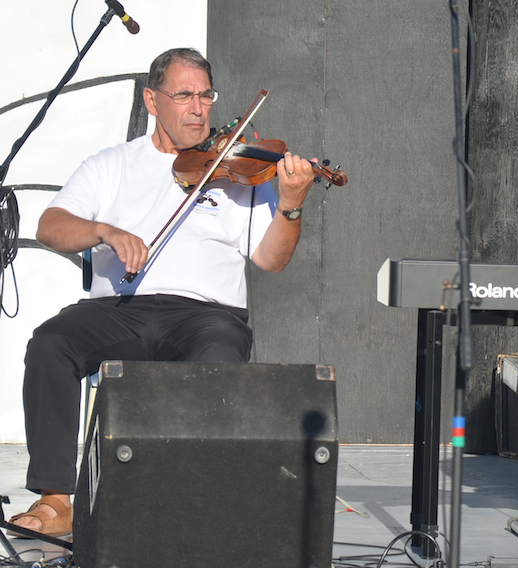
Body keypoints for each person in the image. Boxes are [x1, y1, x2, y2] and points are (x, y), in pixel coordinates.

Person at [10, 48, 317, 537]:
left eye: (205, 96)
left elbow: (272, 259)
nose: (198, 109)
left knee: (220, 353)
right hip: (119, 310)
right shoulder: (110, 165)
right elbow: (51, 226)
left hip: (205, 315)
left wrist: (292, 204)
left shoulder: (237, 171)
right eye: (184, 96)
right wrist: (106, 231)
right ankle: (55, 499)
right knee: (51, 342)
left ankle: (189, 502)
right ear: (153, 101)